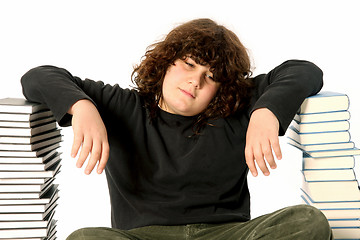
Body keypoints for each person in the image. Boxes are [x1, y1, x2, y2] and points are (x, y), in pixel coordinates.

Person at [21, 18, 333, 239]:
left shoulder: (235, 109)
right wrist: (82, 106)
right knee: (85, 238)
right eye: (189, 64)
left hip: (227, 234)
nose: (195, 81)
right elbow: (38, 77)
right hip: (142, 236)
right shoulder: (123, 106)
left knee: (307, 222)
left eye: (211, 77)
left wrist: (267, 111)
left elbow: (305, 71)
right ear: (166, 62)